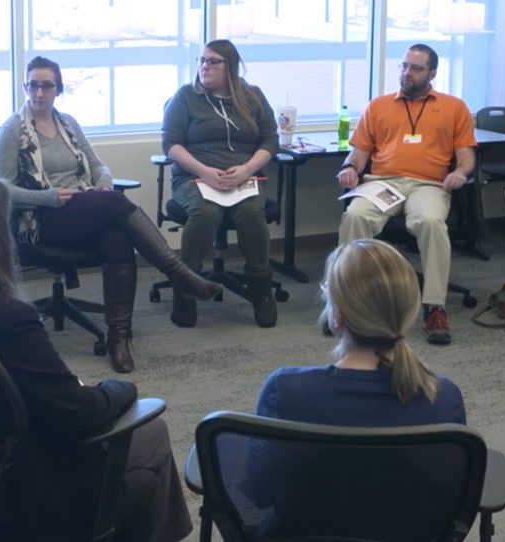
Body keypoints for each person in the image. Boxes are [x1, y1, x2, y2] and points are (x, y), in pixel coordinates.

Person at [0, 173, 193, 542]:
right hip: (26, 496)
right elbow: (77, 413)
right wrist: (120, 388)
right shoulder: (2, 316)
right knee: (151, 427)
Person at [0, 55, 221, 374]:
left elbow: (98, 165)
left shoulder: (68, 123)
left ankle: (118, 337)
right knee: (114, 205)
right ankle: (179, 274)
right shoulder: (12, 130)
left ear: (59, 89)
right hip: (39, 219)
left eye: (47, 85)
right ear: (25, 87)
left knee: (116, 239)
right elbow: (1, 189)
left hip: (81, 208)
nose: (39, 92)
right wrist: (48, 197)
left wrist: (101, 185)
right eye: (33, 85)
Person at [336, 43, 477, 345]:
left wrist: (460, 173)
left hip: (428, 184)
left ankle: (434, 307)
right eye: (403, 66)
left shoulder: (454, 107)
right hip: (382, 182)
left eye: (416, 68)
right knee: (355, 215)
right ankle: (345, 304)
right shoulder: (379, 105)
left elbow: (466, 156)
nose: (407, 73)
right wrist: (349, 169)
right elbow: (359, 153)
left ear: (432, 73)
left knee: (430, 223)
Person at [256, 239, 465, 425]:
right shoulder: (443, 399)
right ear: (407, 312)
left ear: (338, 314)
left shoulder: (285, 392)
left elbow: (259, 468)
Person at [161, 39, 279, 328]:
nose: (205, 66)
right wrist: (206, 171)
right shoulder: (186, 97)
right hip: (195, 177)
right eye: (202, 61)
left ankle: (260, 286)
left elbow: (270, 140)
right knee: (206, 212)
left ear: (231, 66)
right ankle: (186, 287)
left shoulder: (252, 97)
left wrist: (247, 168)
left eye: (213, 61)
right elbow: (171, 144)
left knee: (252, 213)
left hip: (243, 177)